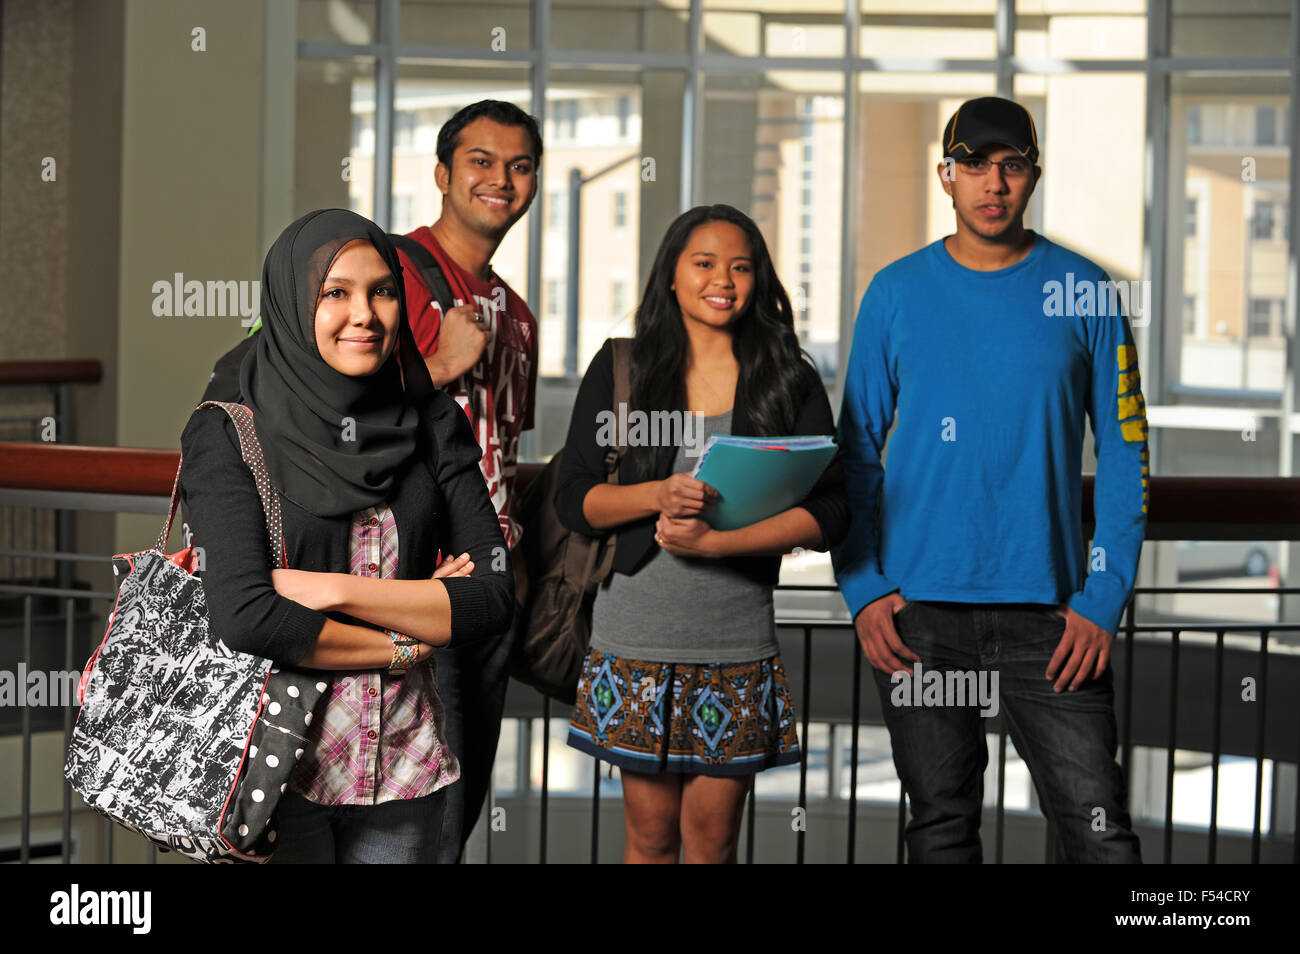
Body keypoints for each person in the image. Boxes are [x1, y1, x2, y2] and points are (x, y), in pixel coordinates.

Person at [831, 96, 1147, 863]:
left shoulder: (1086, 291)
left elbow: (1128, 454)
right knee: (940, 830)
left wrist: (1103, 602)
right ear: (946, 176)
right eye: (973, 164)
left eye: (1010, 165)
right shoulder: (896, 292)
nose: (992, 183)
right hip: (921, 617)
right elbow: (855, 453)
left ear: (1033, 176)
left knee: (1099, 830)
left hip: (1055, 619)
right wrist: (864, 589)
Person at [179, 208, 515, 864]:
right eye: (335, 293)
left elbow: (494, 597)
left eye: (381, 290)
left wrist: (325, 590)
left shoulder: (433, 421)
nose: (364, 313)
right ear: (291, 302)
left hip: (404, 771)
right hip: (271, 773)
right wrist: (408, 641)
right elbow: (247, 617)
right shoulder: (227, 433)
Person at [555, 204, 849, 864]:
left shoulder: (788, 376)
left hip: (736, 640)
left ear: (759, 280)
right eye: (704, 263)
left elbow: (833, 512)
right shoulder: (621, 368)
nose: (724, 279)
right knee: (650, 840)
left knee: (713, 845)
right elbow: (574, 498)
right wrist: (656, 494)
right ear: (671, 276)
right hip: (635, 638)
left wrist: (717, 544)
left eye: (741, 266)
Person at [394, 99, 541, 863]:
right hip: (420, 577)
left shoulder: (514, 310)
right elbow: (340, 412)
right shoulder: (392, 273)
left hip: (492, 584)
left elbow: (504, 447)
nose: (501, 180)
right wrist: (442, 364)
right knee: (417, 813)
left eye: (520, 167)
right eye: (481, 161)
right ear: (445, 174)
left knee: (461, 807)